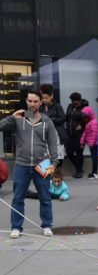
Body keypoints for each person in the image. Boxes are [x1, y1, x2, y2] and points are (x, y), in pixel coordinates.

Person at [0, 90, 59, 238]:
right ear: (26, 101)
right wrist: (11, 118)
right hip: (22, 163)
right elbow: (1, 126)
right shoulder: (18, 118)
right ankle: (16, 227)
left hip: (43, 164)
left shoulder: (47, 121)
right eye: (30, 101)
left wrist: (54, 163)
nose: (32, 104)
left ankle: (47, 225)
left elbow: (53, 143)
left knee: (45, 197)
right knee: (18, 197)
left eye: (35, 101)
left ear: (40, 102)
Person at [40, 84, 67, 167]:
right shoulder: (40, 107)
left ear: (51, 96)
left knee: (57, 156)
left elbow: (62, 119)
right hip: (44, 134)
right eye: (42, 98)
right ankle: (47, 176)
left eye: (46, 98)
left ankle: (56, 177)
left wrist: (50, 120)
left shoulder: (57, 106)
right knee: (45, 157)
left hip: (56, 133)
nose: (44, 100)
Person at [64, 92, 89, 178]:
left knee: (79, 152)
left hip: (80, 134)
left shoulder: (85, 107)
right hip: (69, 133)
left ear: (79, 100)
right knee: (69, 152)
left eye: (76, 102)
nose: (74, 104)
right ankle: (79, 167)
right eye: (72, 101)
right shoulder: (70, 106)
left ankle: (79, 171)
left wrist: (81, 125)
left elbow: (87, 119)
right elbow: (67, 117)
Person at [79, 106, 98, 179]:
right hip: (92, 144)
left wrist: (91, 144)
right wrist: (82, 142)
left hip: (94, 144)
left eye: (85, 117)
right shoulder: (89, 122)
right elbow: (85, 133)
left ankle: (95, 173)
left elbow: (94, 134)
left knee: (94, 158)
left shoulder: (93, 123)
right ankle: (94, 172)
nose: (84, 119)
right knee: (93, 158)